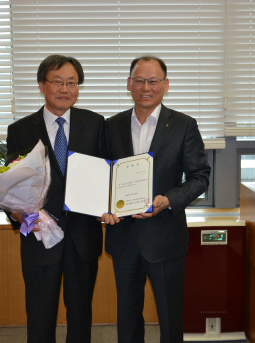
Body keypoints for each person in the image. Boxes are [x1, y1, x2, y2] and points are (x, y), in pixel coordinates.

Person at [102, 56, 211, 343]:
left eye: (153, 81)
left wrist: (168, 199)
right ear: (128, 84)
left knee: (170, 316)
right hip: (123, 236)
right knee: (126, 316)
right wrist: (103, 206)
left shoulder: (184, 125)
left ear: (165, 85)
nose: (145, 87)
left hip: (165, 236)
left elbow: (200, 176)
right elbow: (102, 176)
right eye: (139, 80)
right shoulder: (110, 126)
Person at [6, 54, 107, 343]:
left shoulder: (95, 123)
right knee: (39, 316)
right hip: (39, 238)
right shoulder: (20, 130)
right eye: (57, 82)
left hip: (83, 239)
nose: (65, 89)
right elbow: (10, 188)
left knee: (80, 315)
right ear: (41, 85)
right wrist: (22, 216)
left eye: (72, 83)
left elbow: (105, 175)